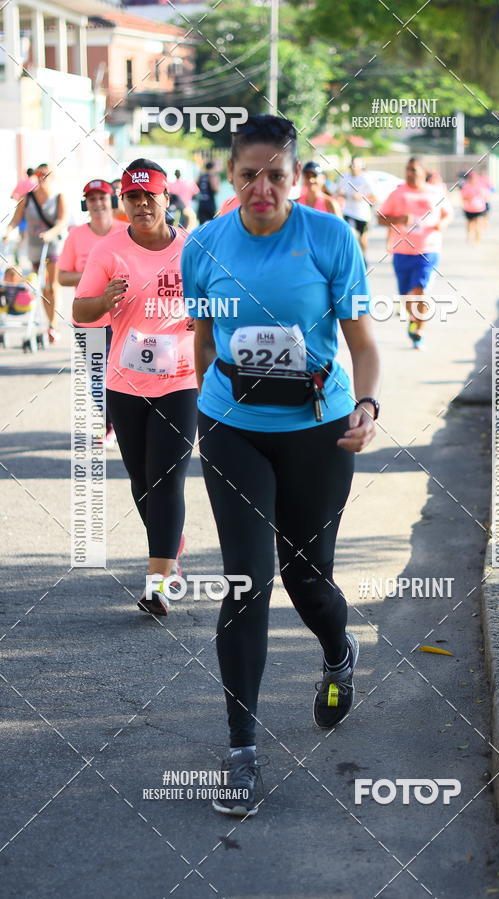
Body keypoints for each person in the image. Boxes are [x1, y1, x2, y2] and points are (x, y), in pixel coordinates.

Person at [181, 113, 380, 818]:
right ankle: (240, 749)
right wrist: (201, 418)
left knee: (306, 573)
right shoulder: (203, 245)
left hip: (318, 429)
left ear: (296, 176)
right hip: (232, 427)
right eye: (248, 174)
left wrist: (367, 406)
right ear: (229, 177)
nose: (261, 186)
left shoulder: (330, 237)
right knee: (246, 579)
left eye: (275, 174)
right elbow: (204, 342)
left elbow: (362, 341)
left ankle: (337, 653)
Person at [73, 159, 198, 615]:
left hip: (182, 381)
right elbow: (81, 312)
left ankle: (158, 583)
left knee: (166, 481)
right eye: (132, 197)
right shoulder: (107, 251)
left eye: (150, 195)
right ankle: (172, 546)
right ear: (123, 202)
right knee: (142, 483)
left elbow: (222, 303)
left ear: (167, 198)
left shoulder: (192, 248)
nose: (142, 204)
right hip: (125, 384)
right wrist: (102, 301)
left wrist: (202, 315)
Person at [59, 179, 126, 447]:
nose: (97, 204)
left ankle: (128, 422)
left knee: (125, 372)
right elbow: (62, 276)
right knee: (99, 375)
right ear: (85, 204)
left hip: (124, 316)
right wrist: (92, 273)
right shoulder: (76, 235)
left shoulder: (125, 230)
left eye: (102, 198)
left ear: (111, 201)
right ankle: (110, 425)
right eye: (92, 199)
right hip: (88, 318)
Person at [377, 157, 452, 350]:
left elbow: (448, 213)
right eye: (407, 169)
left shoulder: (434, 192)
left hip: (428, 249)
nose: (410, 173)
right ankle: (413, 318)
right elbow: (380, 219)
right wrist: (399, 218)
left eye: (414, 170)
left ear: (423, 172)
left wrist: (441, 225)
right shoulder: (397, 193)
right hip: (402, 251)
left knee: (420, 291)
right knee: (407, 296)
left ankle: (420, 332)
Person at [3, 164, 68, 342]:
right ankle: (47, 322)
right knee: (40, 285)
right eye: (39, 174)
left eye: (46, 175)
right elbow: (15, 220)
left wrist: (50, 233)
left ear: (52, 177)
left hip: (52, 245)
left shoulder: (58, 198)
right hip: (34, 248)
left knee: (51, 286)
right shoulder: (28, 198)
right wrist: (8, 232)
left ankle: (53, 325)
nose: (42, 178)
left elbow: (62, 222)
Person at [335, 157, 376, 262]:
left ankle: (363, 256)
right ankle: (351, 257)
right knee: (349, 233)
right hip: (347, 211)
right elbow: (337, 191)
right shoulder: (344, 177)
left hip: (362, 213)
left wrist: (361, 197)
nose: (353, 167)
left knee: (362, 237)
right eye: (352, 165)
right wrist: (341, 194)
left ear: (361, 167)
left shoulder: (366, 178)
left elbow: (374, 197)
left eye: (356, 165)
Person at [460, 170, 488, 244]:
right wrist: (470, 196)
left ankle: (477, 240)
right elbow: (463, 197)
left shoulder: (480, 186)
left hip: (479, 209)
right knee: (469, 224)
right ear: (469, 179)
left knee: (478, 225)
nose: (473, 179)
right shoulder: (466, 187)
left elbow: (485, 197)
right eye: (471, 178)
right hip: (469, 209)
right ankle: (469, 237)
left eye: (474, 178)